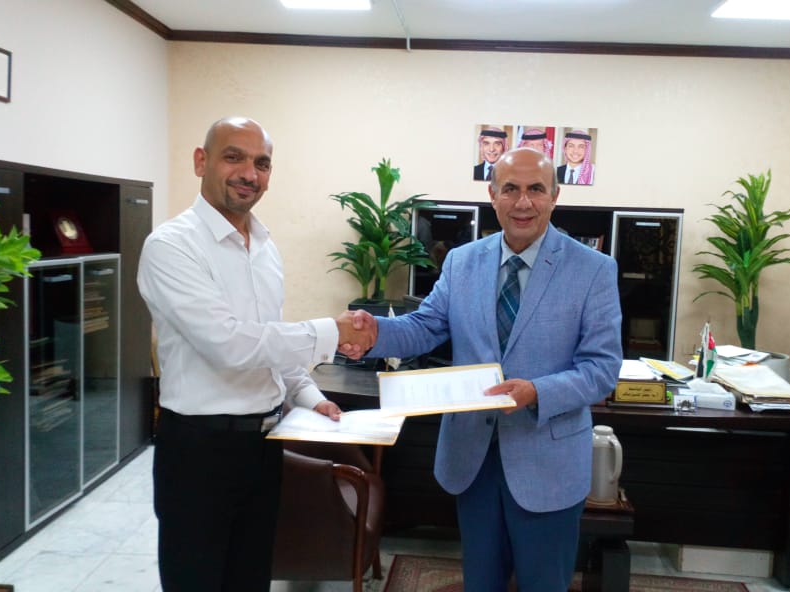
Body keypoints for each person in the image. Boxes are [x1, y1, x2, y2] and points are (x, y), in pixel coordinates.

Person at [343, 147, 623, 591]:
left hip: (546, 459)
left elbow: (602, 369)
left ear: (555, 196)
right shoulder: (462, 261)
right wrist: (375, 333)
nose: (523, 202)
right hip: (473, 457)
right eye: (510, 189)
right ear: (492, 195)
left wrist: (536, 392)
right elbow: (426, 326)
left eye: (536, 189)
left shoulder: (593, 270)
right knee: (481, 583)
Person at [137, 116, 372, 592]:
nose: (249, 173)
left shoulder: (264, 247)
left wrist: (309, 396)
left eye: (261, 163)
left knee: (250, 577)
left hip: (263, 446)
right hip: (199, 450)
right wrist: (332, 331)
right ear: (201, 161)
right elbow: (229, 344)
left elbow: (270, 340)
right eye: (234, 157)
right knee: (196, 581)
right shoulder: (171, 247)